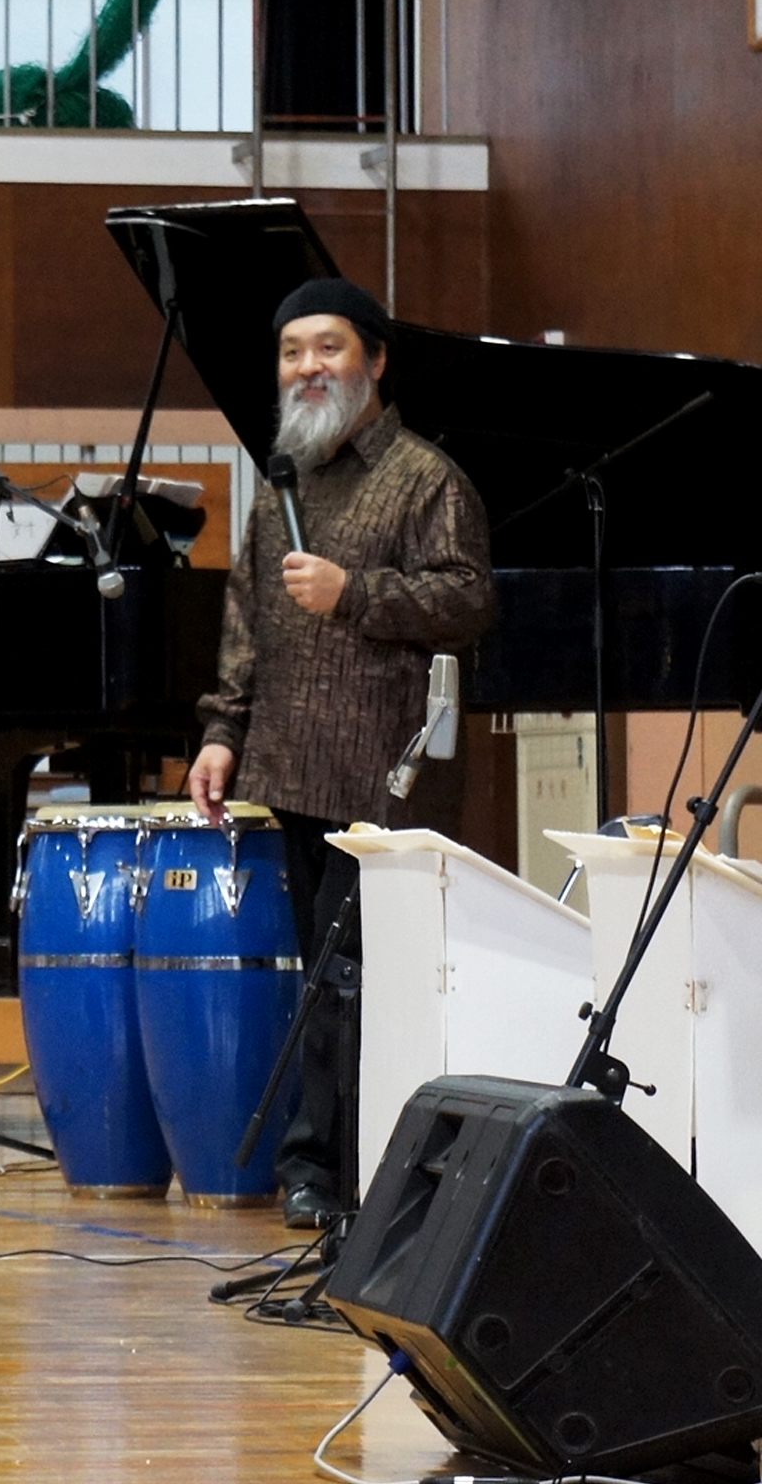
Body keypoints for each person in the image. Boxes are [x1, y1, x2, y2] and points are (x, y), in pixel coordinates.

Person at [185, 277, 495, 1231]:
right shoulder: (280, 482)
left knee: (355, 982)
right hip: (290, 769)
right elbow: (245, 623)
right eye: (292, 352)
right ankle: (322, 1166)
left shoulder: (426, 477)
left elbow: (468, 600)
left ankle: (340, 1168)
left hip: (384, 776)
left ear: (376, 360)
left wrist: (353, 591)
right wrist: (221, 733)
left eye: (328, 347)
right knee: (322, 981)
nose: (307, 367)